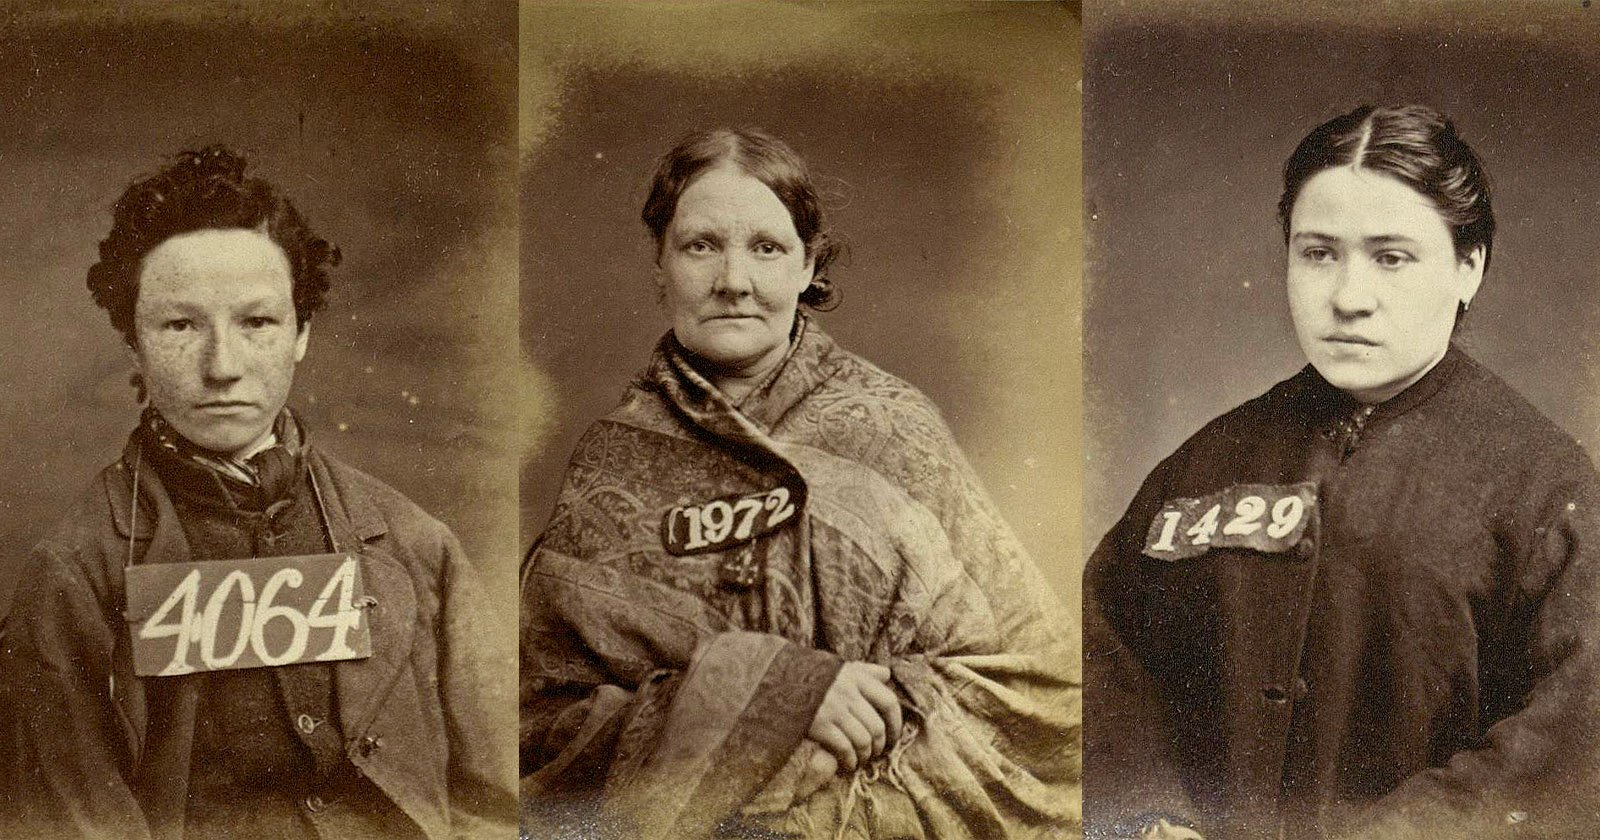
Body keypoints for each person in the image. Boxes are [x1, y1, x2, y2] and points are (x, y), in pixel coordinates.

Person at [520, 127, 1080, 839]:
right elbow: (540, 733)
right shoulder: (610, 461)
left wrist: (848, 751)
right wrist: (777, 694)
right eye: (700, 245)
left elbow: (1033, 688)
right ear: (658, 263)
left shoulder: (890, 430)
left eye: (766, 247)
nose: (733, 281)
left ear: (808, 265)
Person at [1084, 104, 1600, 840]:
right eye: (1318, 253)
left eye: (1391, 257)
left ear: (1469, 266)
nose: (1348, 297)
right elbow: (1100, 662)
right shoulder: (1204, 461)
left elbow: (1575, 737)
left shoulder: (1545, 486)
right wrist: (1146, 816)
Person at [0, 146, 515, 839]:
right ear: (133, 345)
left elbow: (493, 806)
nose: (223, 366)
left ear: (301, 334)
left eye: (257, 323)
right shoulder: (74, 578)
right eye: (181, 326)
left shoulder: (416, 545)